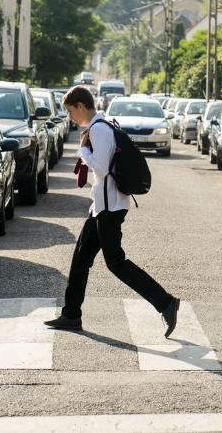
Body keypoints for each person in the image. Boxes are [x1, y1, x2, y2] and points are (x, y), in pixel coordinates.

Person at [44, 85, 181, 337]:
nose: (71, 117)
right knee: (81, 258)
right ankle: (71, 314)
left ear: (82, 106)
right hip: (101, 205)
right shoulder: (100, 126)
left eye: (71, 111)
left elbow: (102, 168)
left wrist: (83, 151)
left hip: (110, 207)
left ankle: (166, 302)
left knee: (115, 262)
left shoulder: (98, 129)